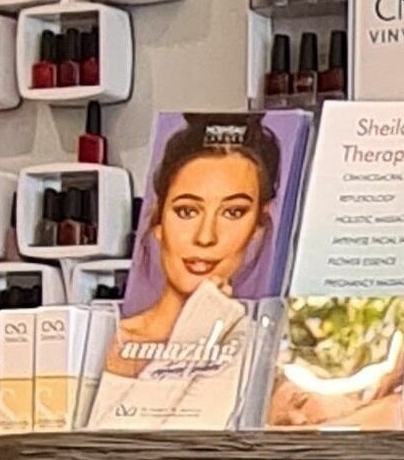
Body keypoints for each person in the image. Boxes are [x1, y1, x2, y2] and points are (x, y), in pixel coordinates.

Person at [97, 119, 285, 414]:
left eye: (233, 212)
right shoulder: (99, 338)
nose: (205, 236)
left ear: (258, 227)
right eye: (187, 211)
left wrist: (199, 329)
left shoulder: (258, 353)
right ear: (158, 221)